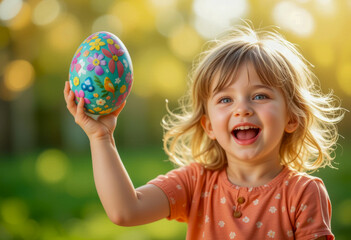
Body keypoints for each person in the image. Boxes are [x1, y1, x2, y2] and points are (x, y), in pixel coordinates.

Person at [64, 24, 344, 239]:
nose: (242, 109)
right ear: (209, 125)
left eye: (259, 96)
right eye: (225, 99)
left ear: (291, 118)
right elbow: (126, 210)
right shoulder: (197, 182)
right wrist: (101, 137)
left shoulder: (303, 194)